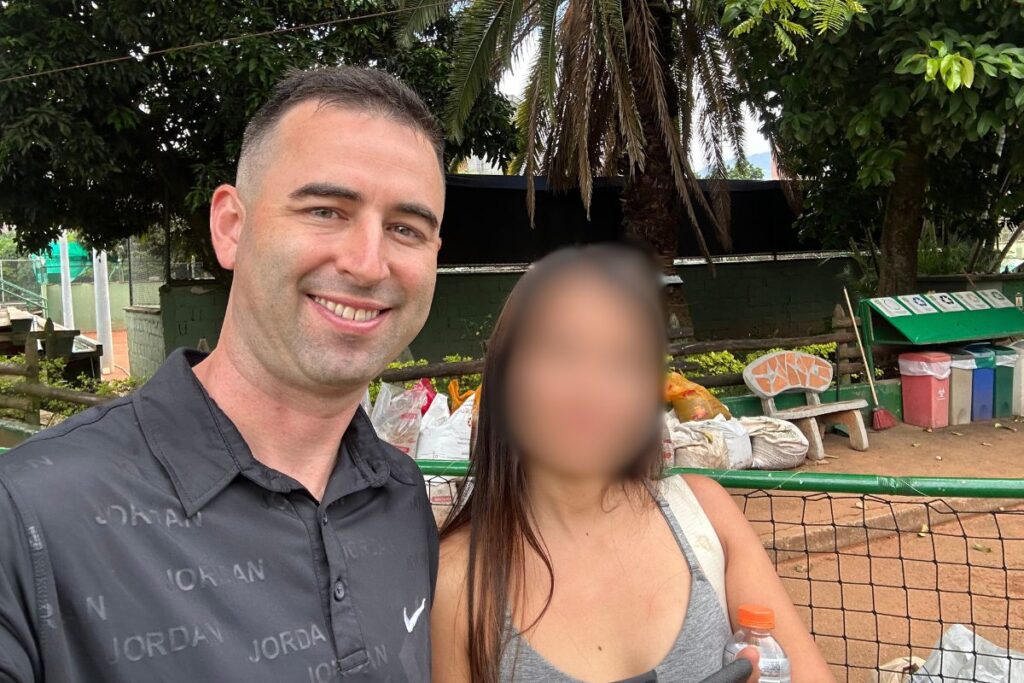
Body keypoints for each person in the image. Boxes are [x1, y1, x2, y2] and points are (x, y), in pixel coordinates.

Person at [0, 67, 445, 682]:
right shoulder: (27, 515)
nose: (369, 265)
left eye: (406, 229)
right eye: (325, 210)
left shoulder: (399, 496)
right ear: (230, 227)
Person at [431, 244, 835, 683]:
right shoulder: (457, 581)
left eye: (625, 360)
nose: (593, 386)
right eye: (561, 350)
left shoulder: (705, 516)